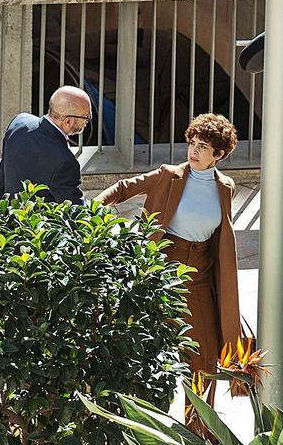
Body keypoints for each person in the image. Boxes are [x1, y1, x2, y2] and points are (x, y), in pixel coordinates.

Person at [95, 113, 243, 422]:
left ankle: (198, 429)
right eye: (192, 143)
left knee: (204, 357)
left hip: (199, 277)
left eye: (203, 146)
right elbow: (123, 188)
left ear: (219, 154)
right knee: (141, 347)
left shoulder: (225, 187)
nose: (193, 151)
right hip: (162, 267)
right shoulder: (168, 175)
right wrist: (93, 210)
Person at [0, 85, 92, 203]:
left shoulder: (19, 122)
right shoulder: (65, 161)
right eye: (86, 117)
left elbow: (2, 177)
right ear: (68, 121)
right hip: (38, 220)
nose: (88, 120)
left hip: (10, 214)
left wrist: (1, 210)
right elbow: (76, 209)